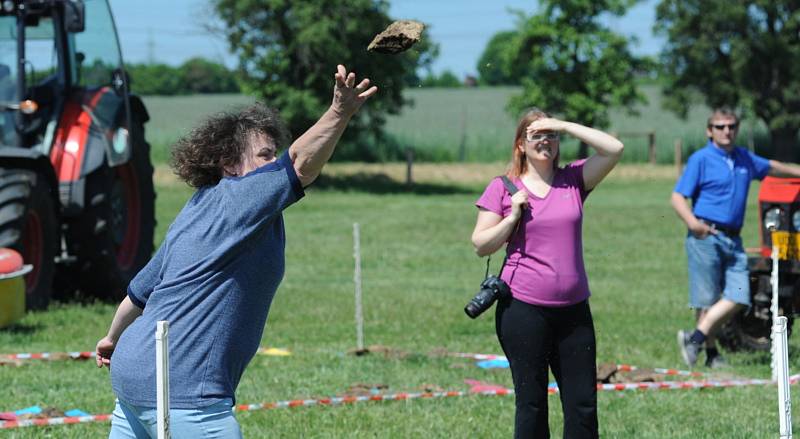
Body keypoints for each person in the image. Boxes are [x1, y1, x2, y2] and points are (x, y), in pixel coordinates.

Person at [94, 64, 377, 438]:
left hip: (133, 377)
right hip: (186, 391)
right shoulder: (241, 197)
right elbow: (299, 164)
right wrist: (339, 112)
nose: (272, 165)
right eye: (263, 155)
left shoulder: (199, 206)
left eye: (272, 154)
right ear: (230, 164)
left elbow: (139, 293)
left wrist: (112, 339)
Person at [471, 109, 623, 439]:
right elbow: (481, 244)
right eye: (536, 135)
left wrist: (564, 124)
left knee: (583, 405)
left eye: (550, 135)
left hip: (574, 313)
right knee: (532, 404)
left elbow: (614, 149)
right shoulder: (503, 187)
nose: (545, 140)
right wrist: (511, 218)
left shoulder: (575, 180)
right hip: (523, 311)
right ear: (520, 145)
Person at [673, 107, 800, 368]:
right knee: (706, 299)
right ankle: (710, 354)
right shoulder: (701, 159)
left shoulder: (744, 158)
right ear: (710, 131)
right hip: (705, 236)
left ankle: (695, 338)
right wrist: (693, 223)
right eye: (720, 127)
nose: (726, 131)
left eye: (731, 126)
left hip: (734, 239)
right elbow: (677, 197)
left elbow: (772, 167)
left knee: (740, 295)